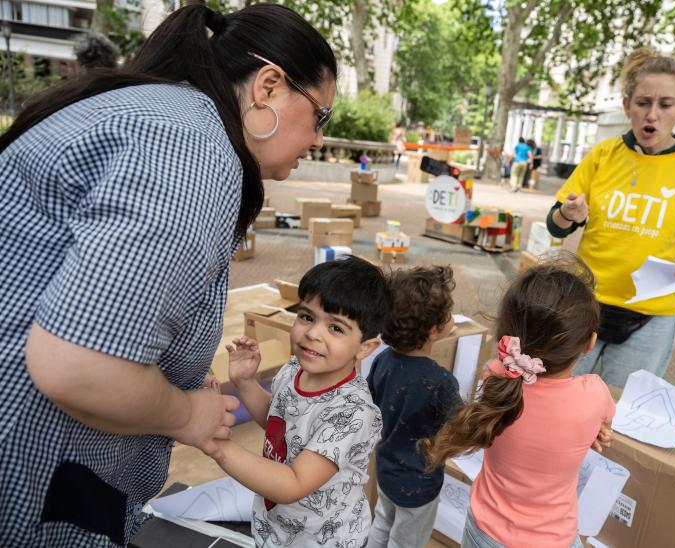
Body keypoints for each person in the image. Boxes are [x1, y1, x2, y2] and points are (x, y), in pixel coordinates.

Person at [0, 4, 336, 545]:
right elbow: (79, 366)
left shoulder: (164, 117)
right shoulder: (193, 149)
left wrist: (165, 374)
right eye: (320, 116)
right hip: (28, 472)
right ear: (269, 86)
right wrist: (185, 413)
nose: (318, 139)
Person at [546, 48, 675, 388]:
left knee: (620, 414)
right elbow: (556, 222)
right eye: (642, 102)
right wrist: (566, 213)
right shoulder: (604, 154)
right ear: (626, 106)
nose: (652, 114)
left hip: (652, 315)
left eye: (665, 104)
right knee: (559, 396)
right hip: (585, 304)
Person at [420, 254, 614, 548]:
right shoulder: (595, 395)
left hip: (483, 529)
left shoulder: (497, 377)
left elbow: (499, 370)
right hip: (552, 539)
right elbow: (599, 421)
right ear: (589, 343)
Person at [216, 256, 390, 547]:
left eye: (335, 328)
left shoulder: (353, 413)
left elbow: (293, 483)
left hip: (322, 540)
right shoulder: (294, 368)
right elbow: (278, 423)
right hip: (275, 527)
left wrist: (217, 446)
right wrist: (246, 383)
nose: (312, 334)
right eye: (307, 317)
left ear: (365, 348)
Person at [366, 266, 462, 548]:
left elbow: (371, 401)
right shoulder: (441, 382)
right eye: (449, 315)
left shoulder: (382, 361)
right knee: (406, 541)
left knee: (382, 523)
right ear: (434, 331)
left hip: (385, 468)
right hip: (419, 483)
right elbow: (459, 427)